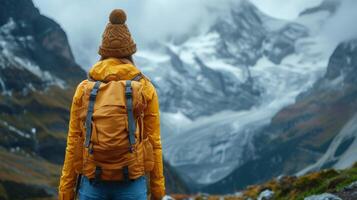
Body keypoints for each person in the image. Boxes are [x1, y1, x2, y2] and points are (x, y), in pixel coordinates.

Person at [58, 9, 166, 200]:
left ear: (103, 53)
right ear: (130, 53)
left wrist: (66, 192)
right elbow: (154, 142)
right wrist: (157, 191)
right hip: (132, 183)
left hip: (93, 183)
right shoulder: (144, 87)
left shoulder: (84, 89)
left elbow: (73, 141)